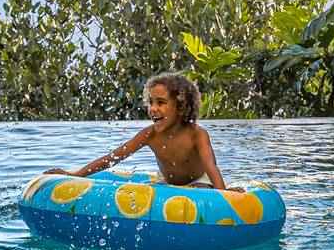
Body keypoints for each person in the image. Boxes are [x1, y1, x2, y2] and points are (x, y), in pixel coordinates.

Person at [46, 72, 231, 189]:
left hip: (199, 182)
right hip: (167, 183)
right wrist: (75, 175)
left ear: (181, 107)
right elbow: (113, 157)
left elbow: (211, 167)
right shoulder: (150, 134)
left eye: (161, 102)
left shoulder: (196, 134)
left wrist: (224, 194)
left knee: (201, 190)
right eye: (150, 102)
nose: (153, 109)